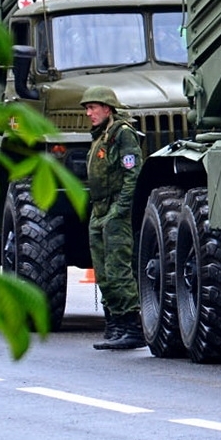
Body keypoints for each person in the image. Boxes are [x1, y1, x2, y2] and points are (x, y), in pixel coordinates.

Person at [82, 85, 146, 350]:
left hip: (114, 210)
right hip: (99, 211)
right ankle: (115, 325)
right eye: (87, 108)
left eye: (93, 107)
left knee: (118, 270)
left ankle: (131, 327)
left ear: (107, 108)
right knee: (104, 273)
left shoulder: (122, 135)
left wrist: (119, 210)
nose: (89, 113)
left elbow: (133, 174)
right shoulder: (100, 135)